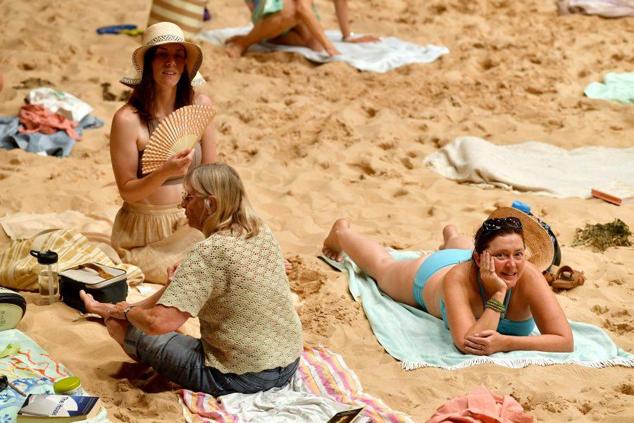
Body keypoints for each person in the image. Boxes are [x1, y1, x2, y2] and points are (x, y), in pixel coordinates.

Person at [81, 163, 303, 395]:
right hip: (287, 362)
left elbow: (158, 324)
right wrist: (116, 307)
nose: (182, 204)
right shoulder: (259, 230)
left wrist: (124, 313)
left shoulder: (209, 252)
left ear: (212, 204)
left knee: (120, 326)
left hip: (241, 377)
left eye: (189, 197)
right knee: (136, 318)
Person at [322, 208, 574, 355]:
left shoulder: (527, 274)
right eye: (501, 256)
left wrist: (507, 342)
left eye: (518, 254)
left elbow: (565, 341)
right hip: (433, 274)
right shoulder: (456, 277)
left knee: (465, 248)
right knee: (383, 268)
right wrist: (498, 294)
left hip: (470, 257)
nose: (512, 265)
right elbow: (468, 343)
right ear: (479, 258)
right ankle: (341, 233)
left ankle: (452, 237)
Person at [112, 22, 217, 283]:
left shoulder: (199, 105)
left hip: (192, 221)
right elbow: (127, 190)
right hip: (146, 232)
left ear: (186, 64)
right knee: (194, 275)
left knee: (232, 259)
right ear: (148, 63)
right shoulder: (127, 120)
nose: (171, 63)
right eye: (162, 54)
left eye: (178, 55)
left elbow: (213, 174)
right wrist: (163, 173)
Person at [225, 0, 380, 58]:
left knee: (315, 44)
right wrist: (330, 48)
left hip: (295, 10)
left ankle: (261, 35)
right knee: (292, 11)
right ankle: (243, 43)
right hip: (272, 8)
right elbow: (301, 7)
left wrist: (348, 36)